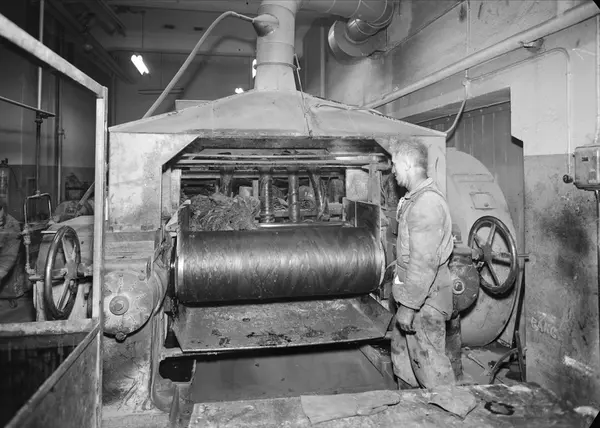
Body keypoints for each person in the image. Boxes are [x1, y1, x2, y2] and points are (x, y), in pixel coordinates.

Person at [389, 140, 457, 389]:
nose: (393, 170)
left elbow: (423, 263)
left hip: (424, 303)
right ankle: (409, 407)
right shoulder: (413, 199)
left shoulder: (426, 204)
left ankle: (446, 407)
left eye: (395, 164)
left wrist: (408, 307)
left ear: (408, 163)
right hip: (412, 297)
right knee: (405, 364)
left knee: (432, 371)